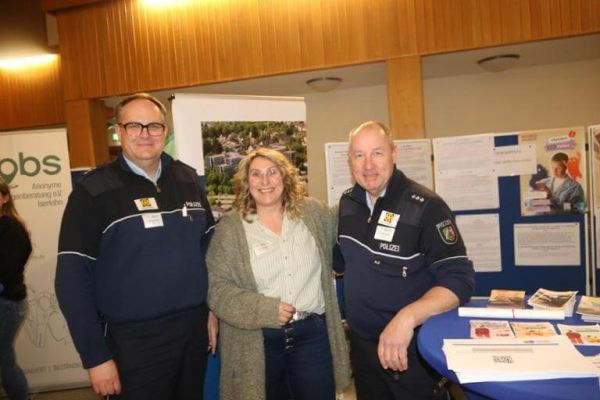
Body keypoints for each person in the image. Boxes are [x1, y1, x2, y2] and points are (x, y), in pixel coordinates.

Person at [55, 93, 217, 399]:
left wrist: (213, 310)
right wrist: (95, 356)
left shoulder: (187, 179)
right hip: (133, 343)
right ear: (119, 130)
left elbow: (211, 252)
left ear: (165, 132)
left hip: (193, 332)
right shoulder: (93, 191)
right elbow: (71, 279)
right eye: (134, 126)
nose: (145, 134)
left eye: (154, 126)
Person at [335, 121, 475, 400]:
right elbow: (342, 261)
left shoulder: (427, 206)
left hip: (410, 349)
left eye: (377, 153)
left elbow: (460, 279)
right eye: (359, 155)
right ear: (350, 161)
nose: (368, 165)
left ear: (394, 153)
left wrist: (406, 318)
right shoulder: (348, 203)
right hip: (363, 351)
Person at [206, 148, 351, 400]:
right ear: (246, 182)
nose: (265, 181)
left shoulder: (314, 214)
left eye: (272, 172)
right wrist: (265, 309)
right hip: (257, 341)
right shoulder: (231, 228)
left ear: (285, 176)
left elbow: (352, 221)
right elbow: (216, 289)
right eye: (256, 174)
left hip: (312, 336)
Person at [0, 177, 32, 400]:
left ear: (5, 198)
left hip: (8, 303)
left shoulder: (9, 227)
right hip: (7, 302)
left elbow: (7, 269)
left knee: (4, 359)